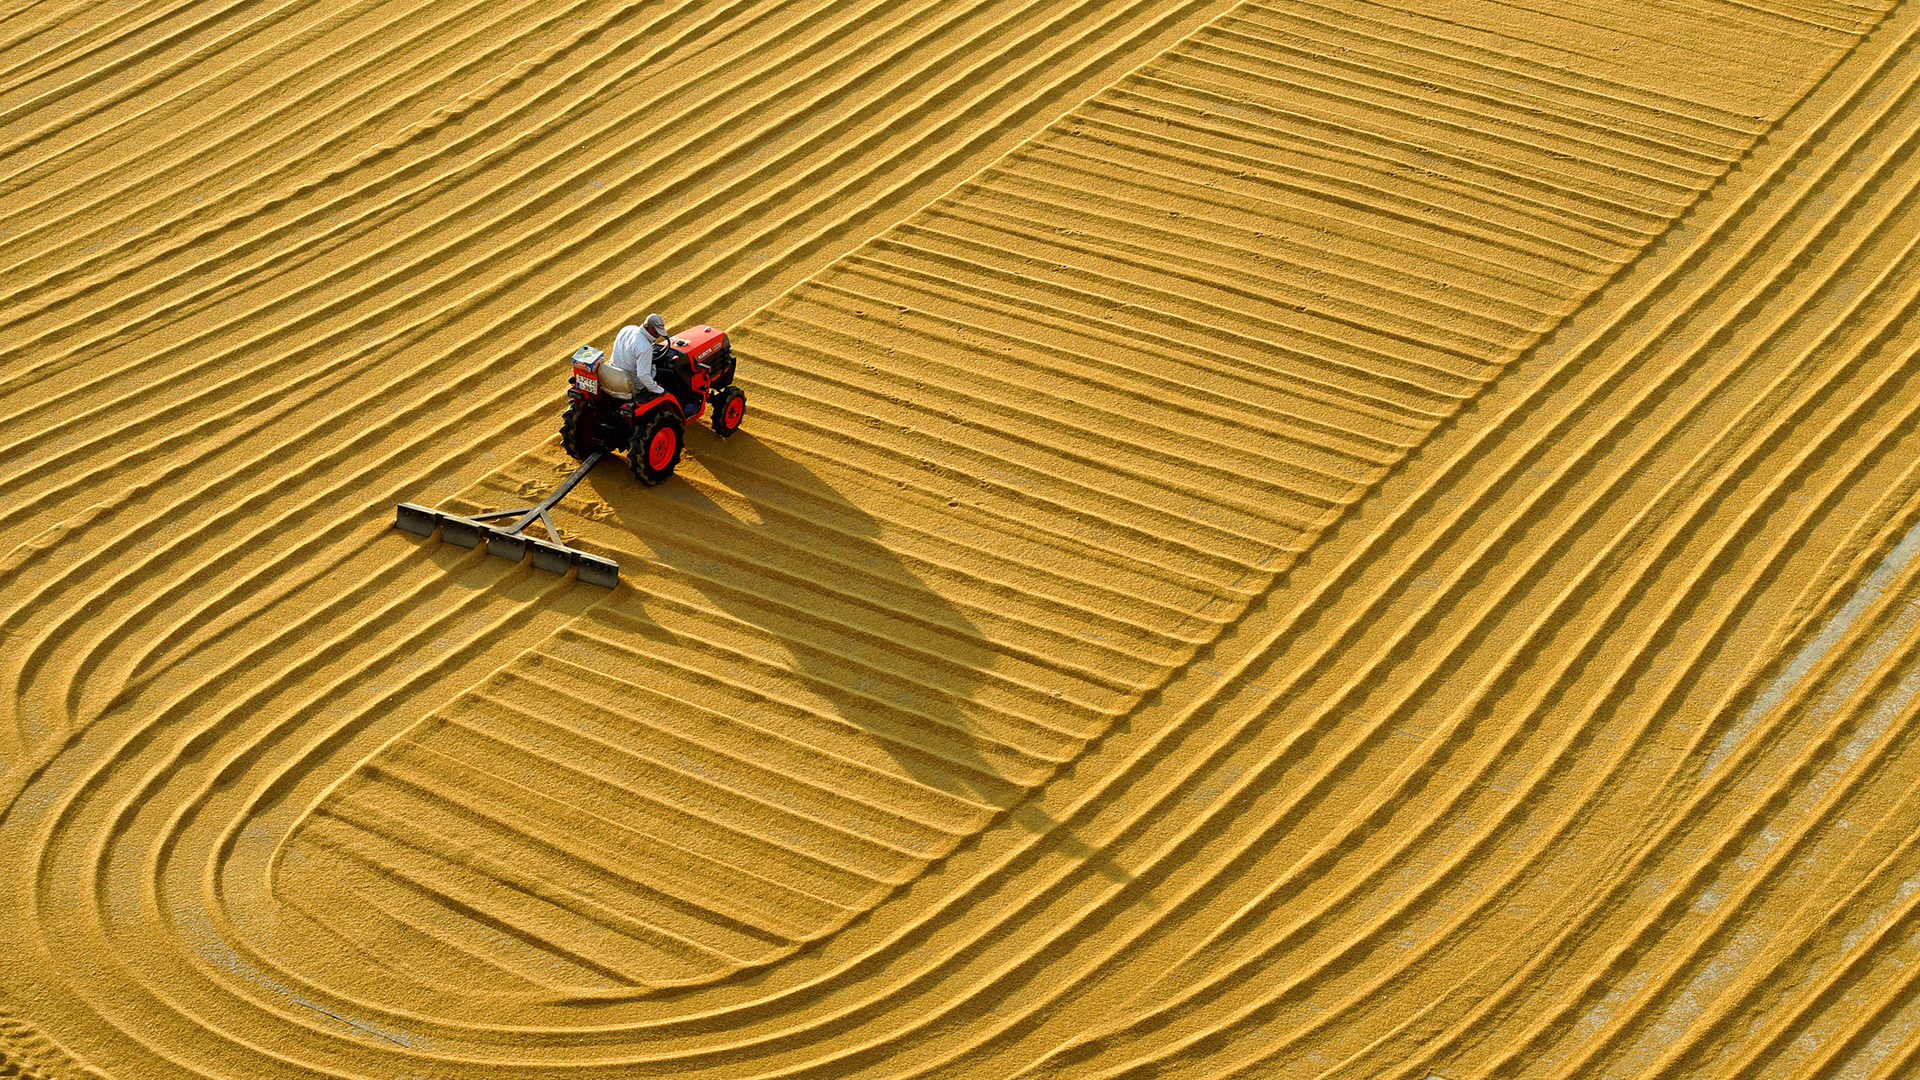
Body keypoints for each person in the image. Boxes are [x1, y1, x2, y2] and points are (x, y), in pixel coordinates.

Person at [604, 317, 668, 400]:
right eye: (656, 332)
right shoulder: (645, 347)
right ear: (648, 327)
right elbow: (643, 376)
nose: (658, 336)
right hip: (633, 382)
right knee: (670, 375)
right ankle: (686, 407)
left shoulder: (627, 329)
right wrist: (658, 390)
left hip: (615, 373)